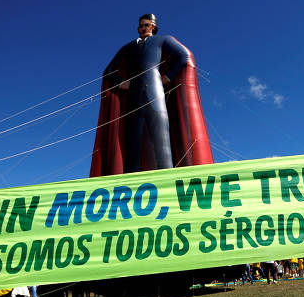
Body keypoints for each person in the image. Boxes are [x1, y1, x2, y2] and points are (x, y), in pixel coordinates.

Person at [91, 14, 213, 176]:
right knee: (132, 141)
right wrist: (120, 83)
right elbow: (108, 71)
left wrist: (168, 76)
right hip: (133, 97)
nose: (142, 28)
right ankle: (130, 180)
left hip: (155, 91)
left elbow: (183, 56)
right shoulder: (127, 47)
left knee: (160, 138)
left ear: (153, 27)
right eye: (140, 26)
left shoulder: (163, 40)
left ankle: (167, 177)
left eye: (146, 25)